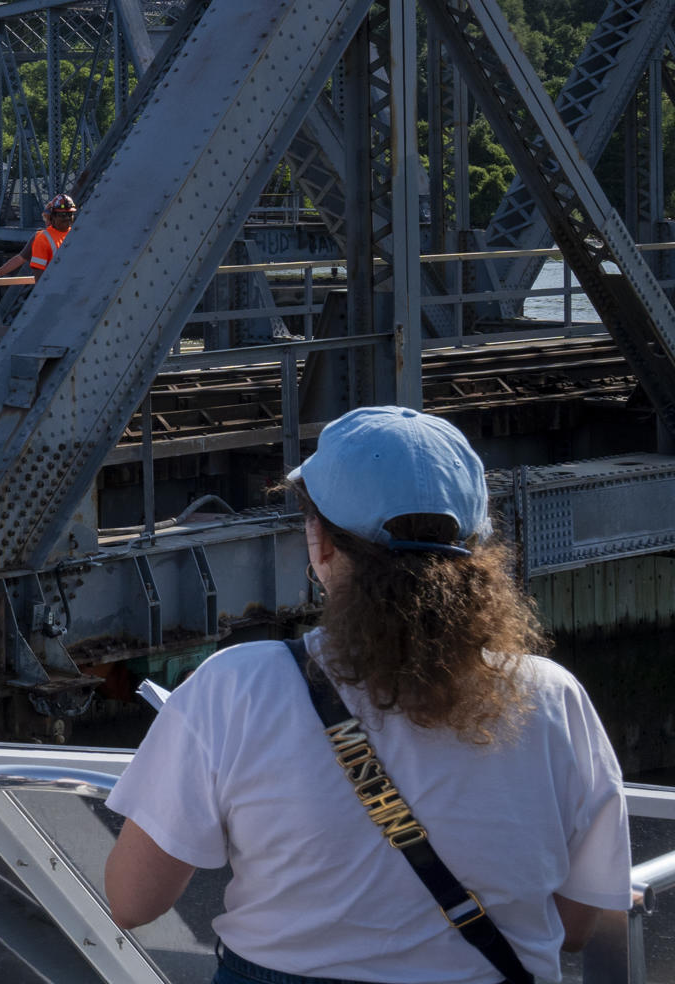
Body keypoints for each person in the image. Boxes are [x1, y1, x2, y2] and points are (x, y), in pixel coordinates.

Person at [103, 406, 630, 984]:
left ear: (321, 542)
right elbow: (577, 925)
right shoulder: (551, 696)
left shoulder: (236, 687)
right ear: (477, 551)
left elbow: (133, 902)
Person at [0, 193, 75, 285]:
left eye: (69, 214)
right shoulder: (45, 238)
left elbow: (20, 258)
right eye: (63, 215)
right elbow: (21, 260)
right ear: (53, 216)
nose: (67, 218)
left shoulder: (73, 234)